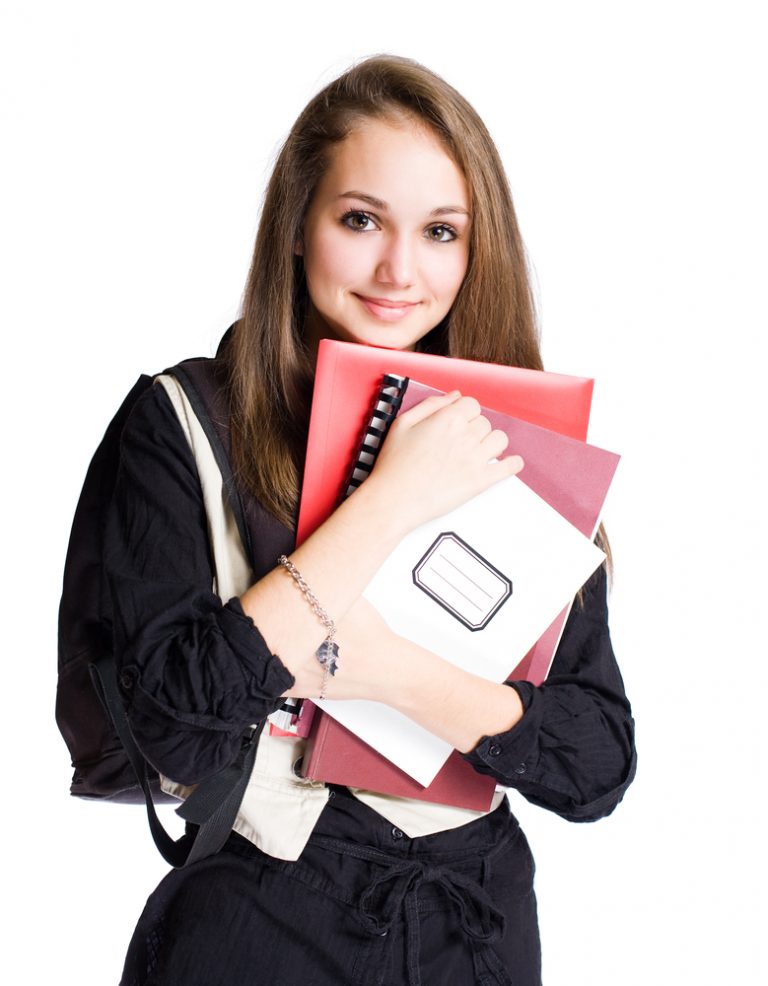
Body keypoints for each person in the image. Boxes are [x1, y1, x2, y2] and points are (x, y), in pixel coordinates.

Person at [108, 55, 636, 986]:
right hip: (259, 923)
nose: (400, 269)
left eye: (440, 231)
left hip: (475, 929)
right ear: (297, 226)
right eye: (360, 220)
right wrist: (393, 496)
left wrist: (388, 670)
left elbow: (595, 764)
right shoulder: (184, 421)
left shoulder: (515, 438)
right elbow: (171, 728)